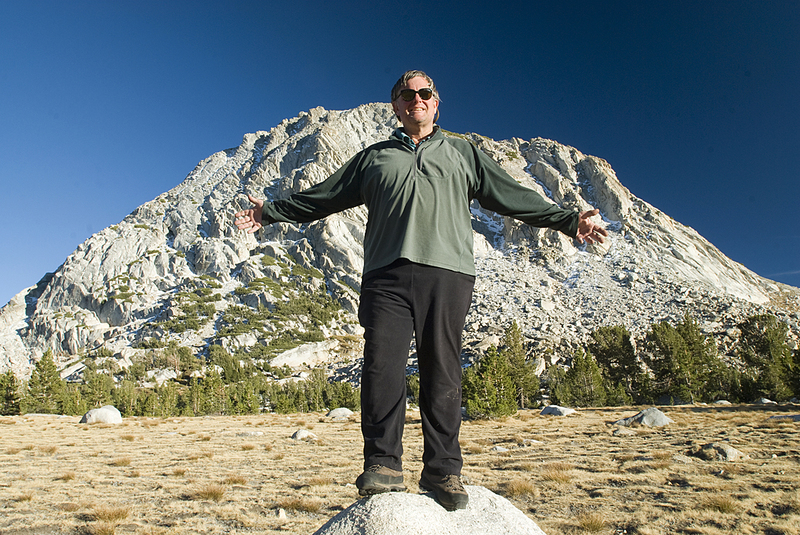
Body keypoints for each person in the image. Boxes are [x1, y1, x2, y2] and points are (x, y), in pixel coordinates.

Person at [234, 70, 607, 510]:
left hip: (448, 273)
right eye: (406, 94)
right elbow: (324, 196)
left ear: (436, 102)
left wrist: (568, 220)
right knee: (381, 368)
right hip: (386, 275)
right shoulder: (374, 158)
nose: (416, 99)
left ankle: (443, 471)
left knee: (442, 371)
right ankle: (383, 464)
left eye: (424, 93)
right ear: (395, 105)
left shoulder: (463, 153)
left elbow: (512, 195)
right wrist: (271, 212)